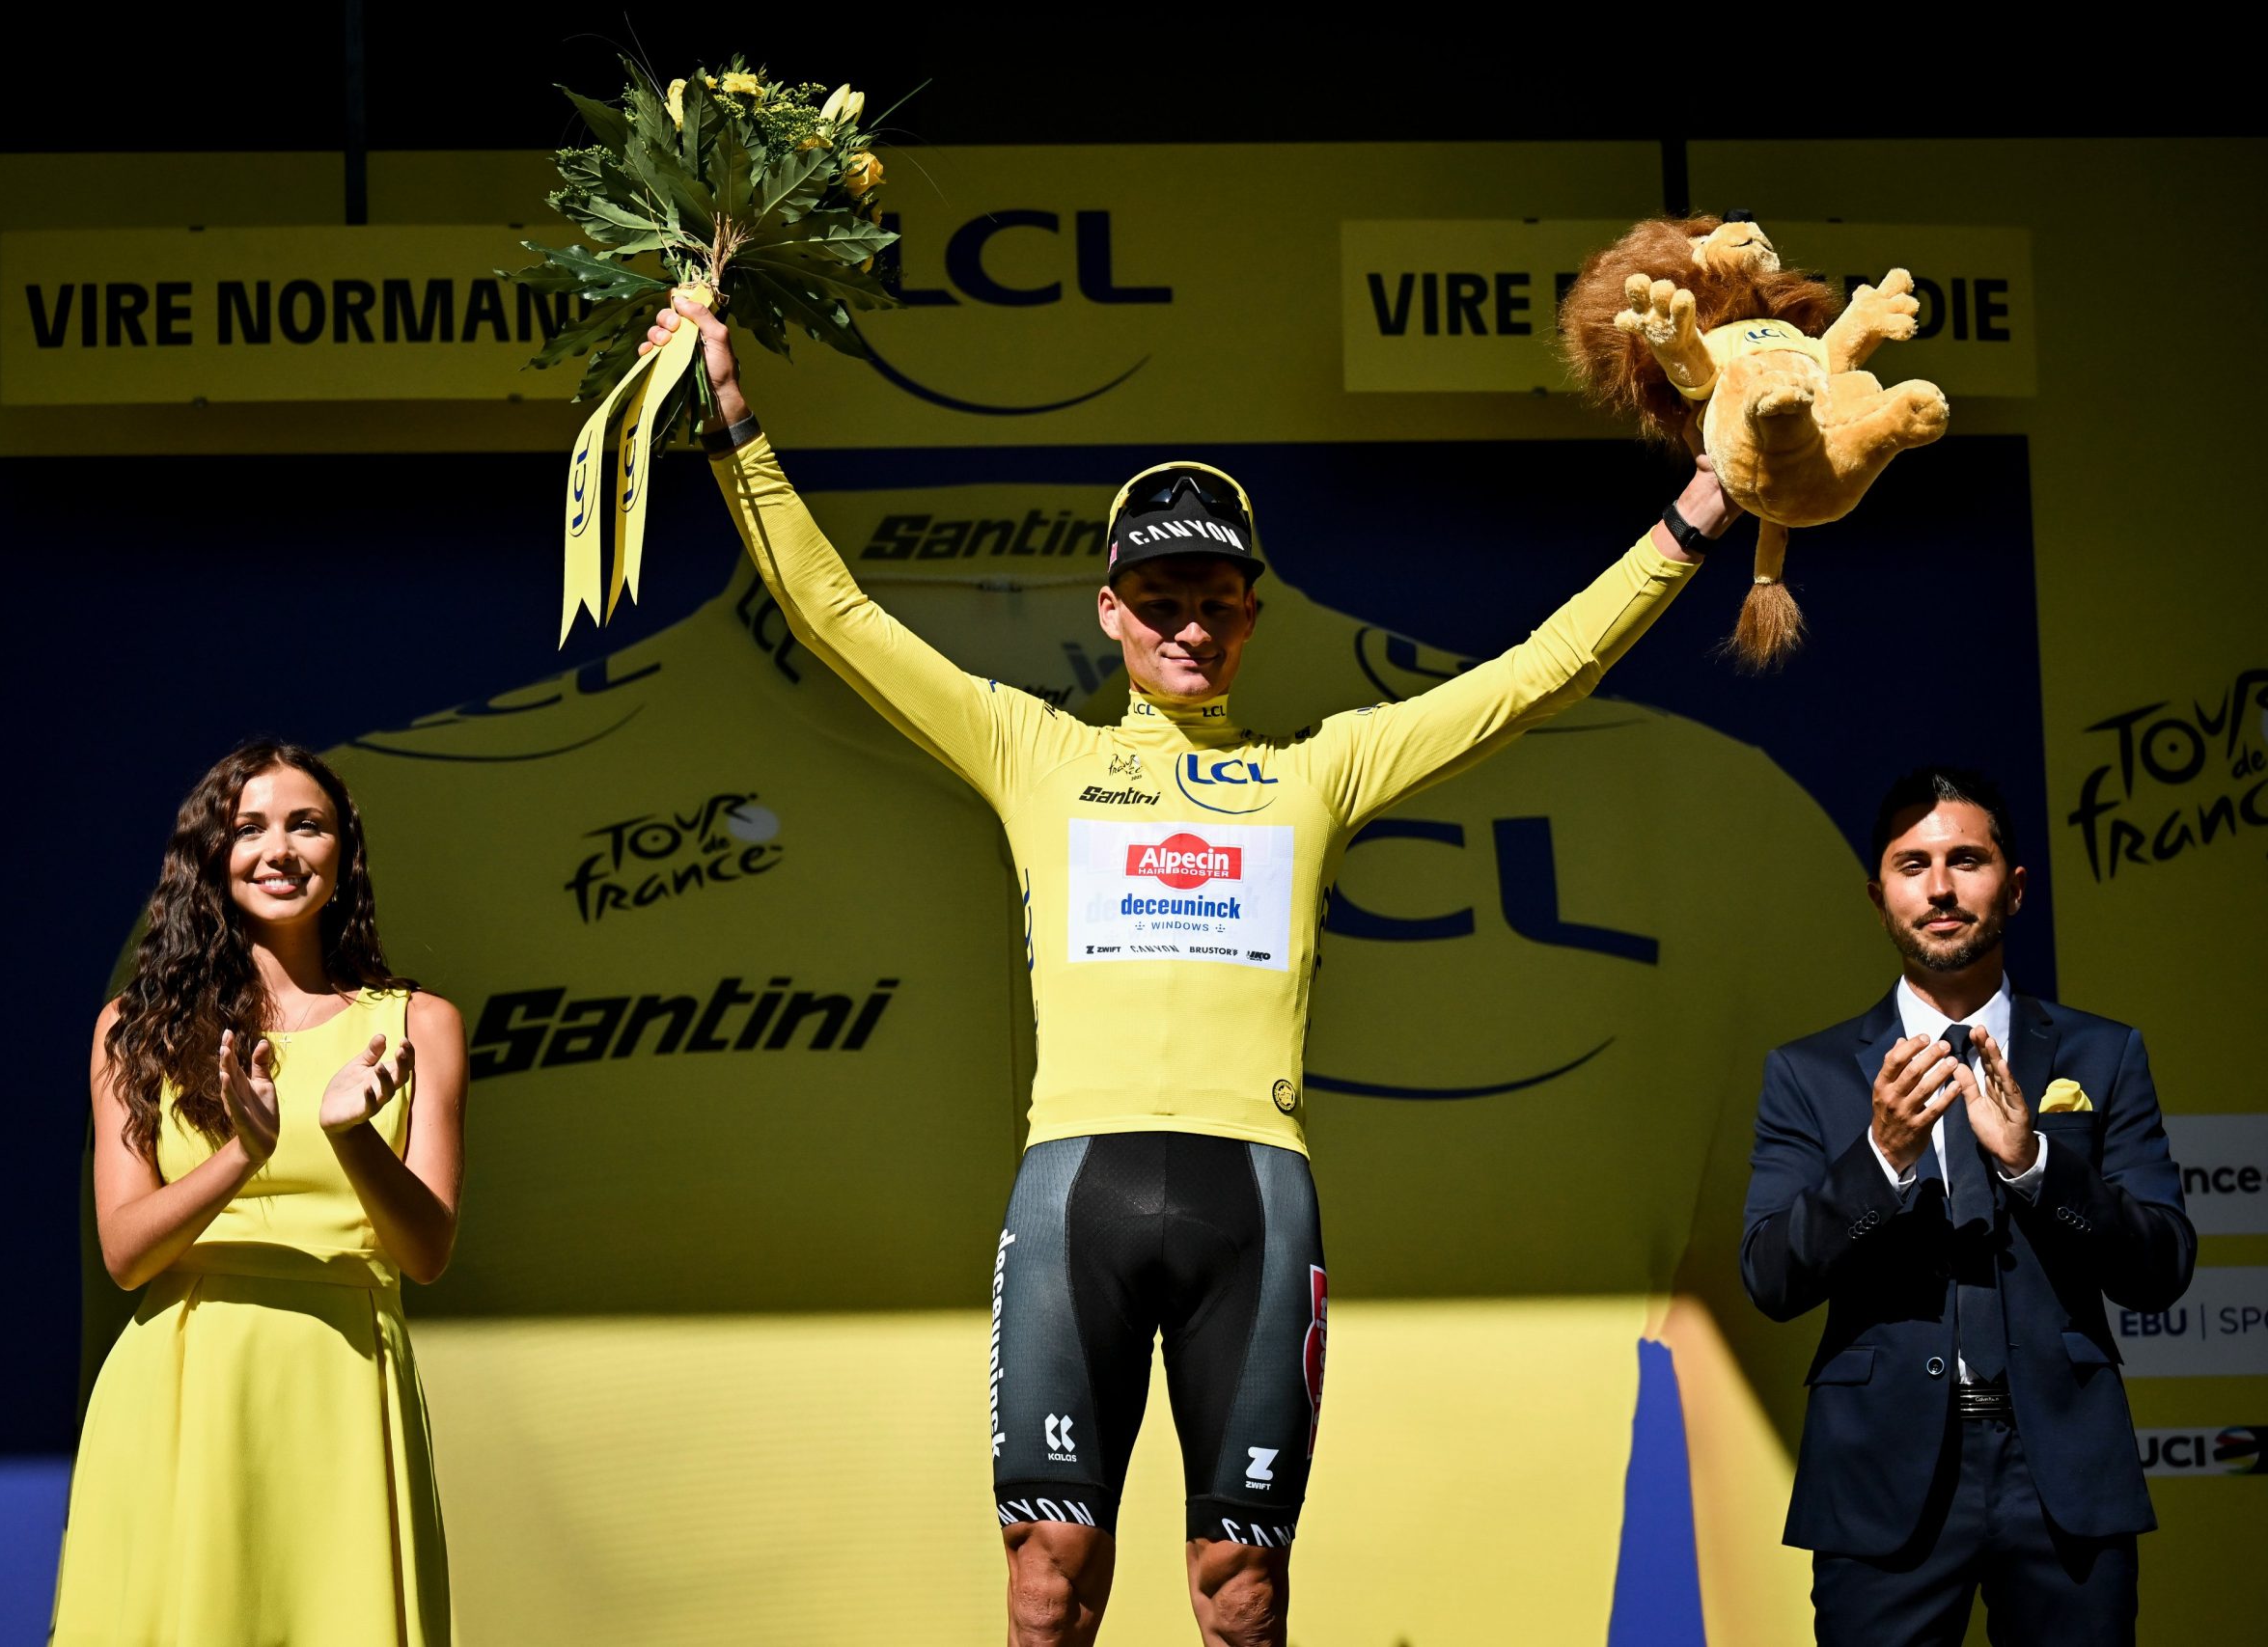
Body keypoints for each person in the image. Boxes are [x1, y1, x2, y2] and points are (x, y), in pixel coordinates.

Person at [645, 294, 1731, 1645]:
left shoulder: (1314, 769)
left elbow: (1538, 673)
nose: (1191, 629)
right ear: (1109, 608)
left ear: (1252, 614)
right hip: (1072, 1197)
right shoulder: (1032, 748)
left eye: (1216, 604)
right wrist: (729, 419)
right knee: (1047, 1582)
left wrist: (1709, 499)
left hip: (1255, 1203)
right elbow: (834, 614)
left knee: (1243, 1595)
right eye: (1160, 602)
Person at [1740, 765, 2194, 1646]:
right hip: (1881, 1476)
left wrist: (2033, 1160)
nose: (1940, 887)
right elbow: (1770, 1275)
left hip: (2063, 1469)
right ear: (1878, 896)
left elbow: (2162, 1266)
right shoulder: (1811, 1072)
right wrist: (1882, 1157)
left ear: (2014, 887)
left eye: (1966, 859)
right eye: (1913, 865)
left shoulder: (2104, 1052)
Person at [50, 742, 466, 1647]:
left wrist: (353, 1137)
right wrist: (245, 1152)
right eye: (249, 828)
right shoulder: (132, 1028)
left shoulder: (417, 1024)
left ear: (343, 852)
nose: (279, 849)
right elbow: (125, 1253)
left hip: (344, 1384)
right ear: (211, 855)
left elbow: (427, 1252)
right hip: (184, 1386)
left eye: (305, 824)